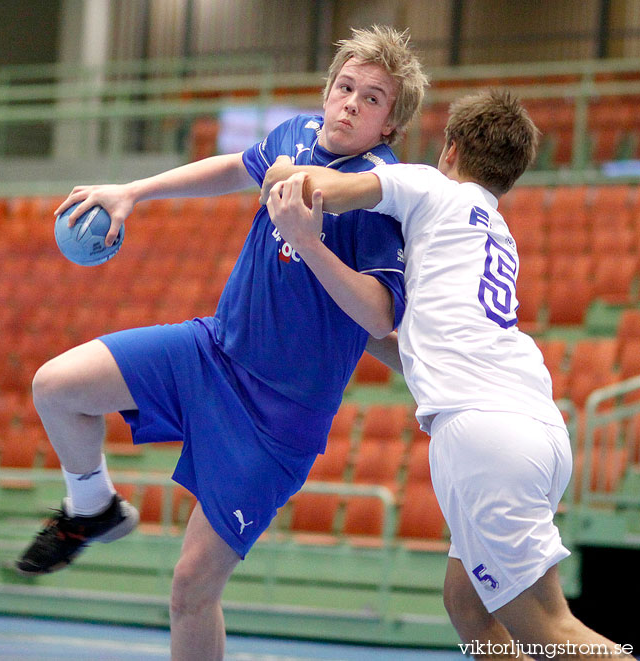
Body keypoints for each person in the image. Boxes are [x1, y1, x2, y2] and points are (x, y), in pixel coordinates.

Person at [15, 25, 427, 661]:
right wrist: (133, 191)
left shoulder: (378, 192)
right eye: (345, 87)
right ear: (326, 92)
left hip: (278, 418)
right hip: (210, 353)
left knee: (190, 590)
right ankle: (92, 505)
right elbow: (234, 168)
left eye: (371, 100)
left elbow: (377, 315)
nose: (350, 103)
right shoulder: (294, 135)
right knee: (57, 386)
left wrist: (309, 240)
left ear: (389, 126)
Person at [263, 90, 633, 658]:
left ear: (451, 148)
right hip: (532, 426)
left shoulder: (434, 188)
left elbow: (316, 189)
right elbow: (416, 349)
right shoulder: (495, 231)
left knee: (551, 631)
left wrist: (281, 162)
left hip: (484, 434)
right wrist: (342, 318)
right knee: (465, 603)